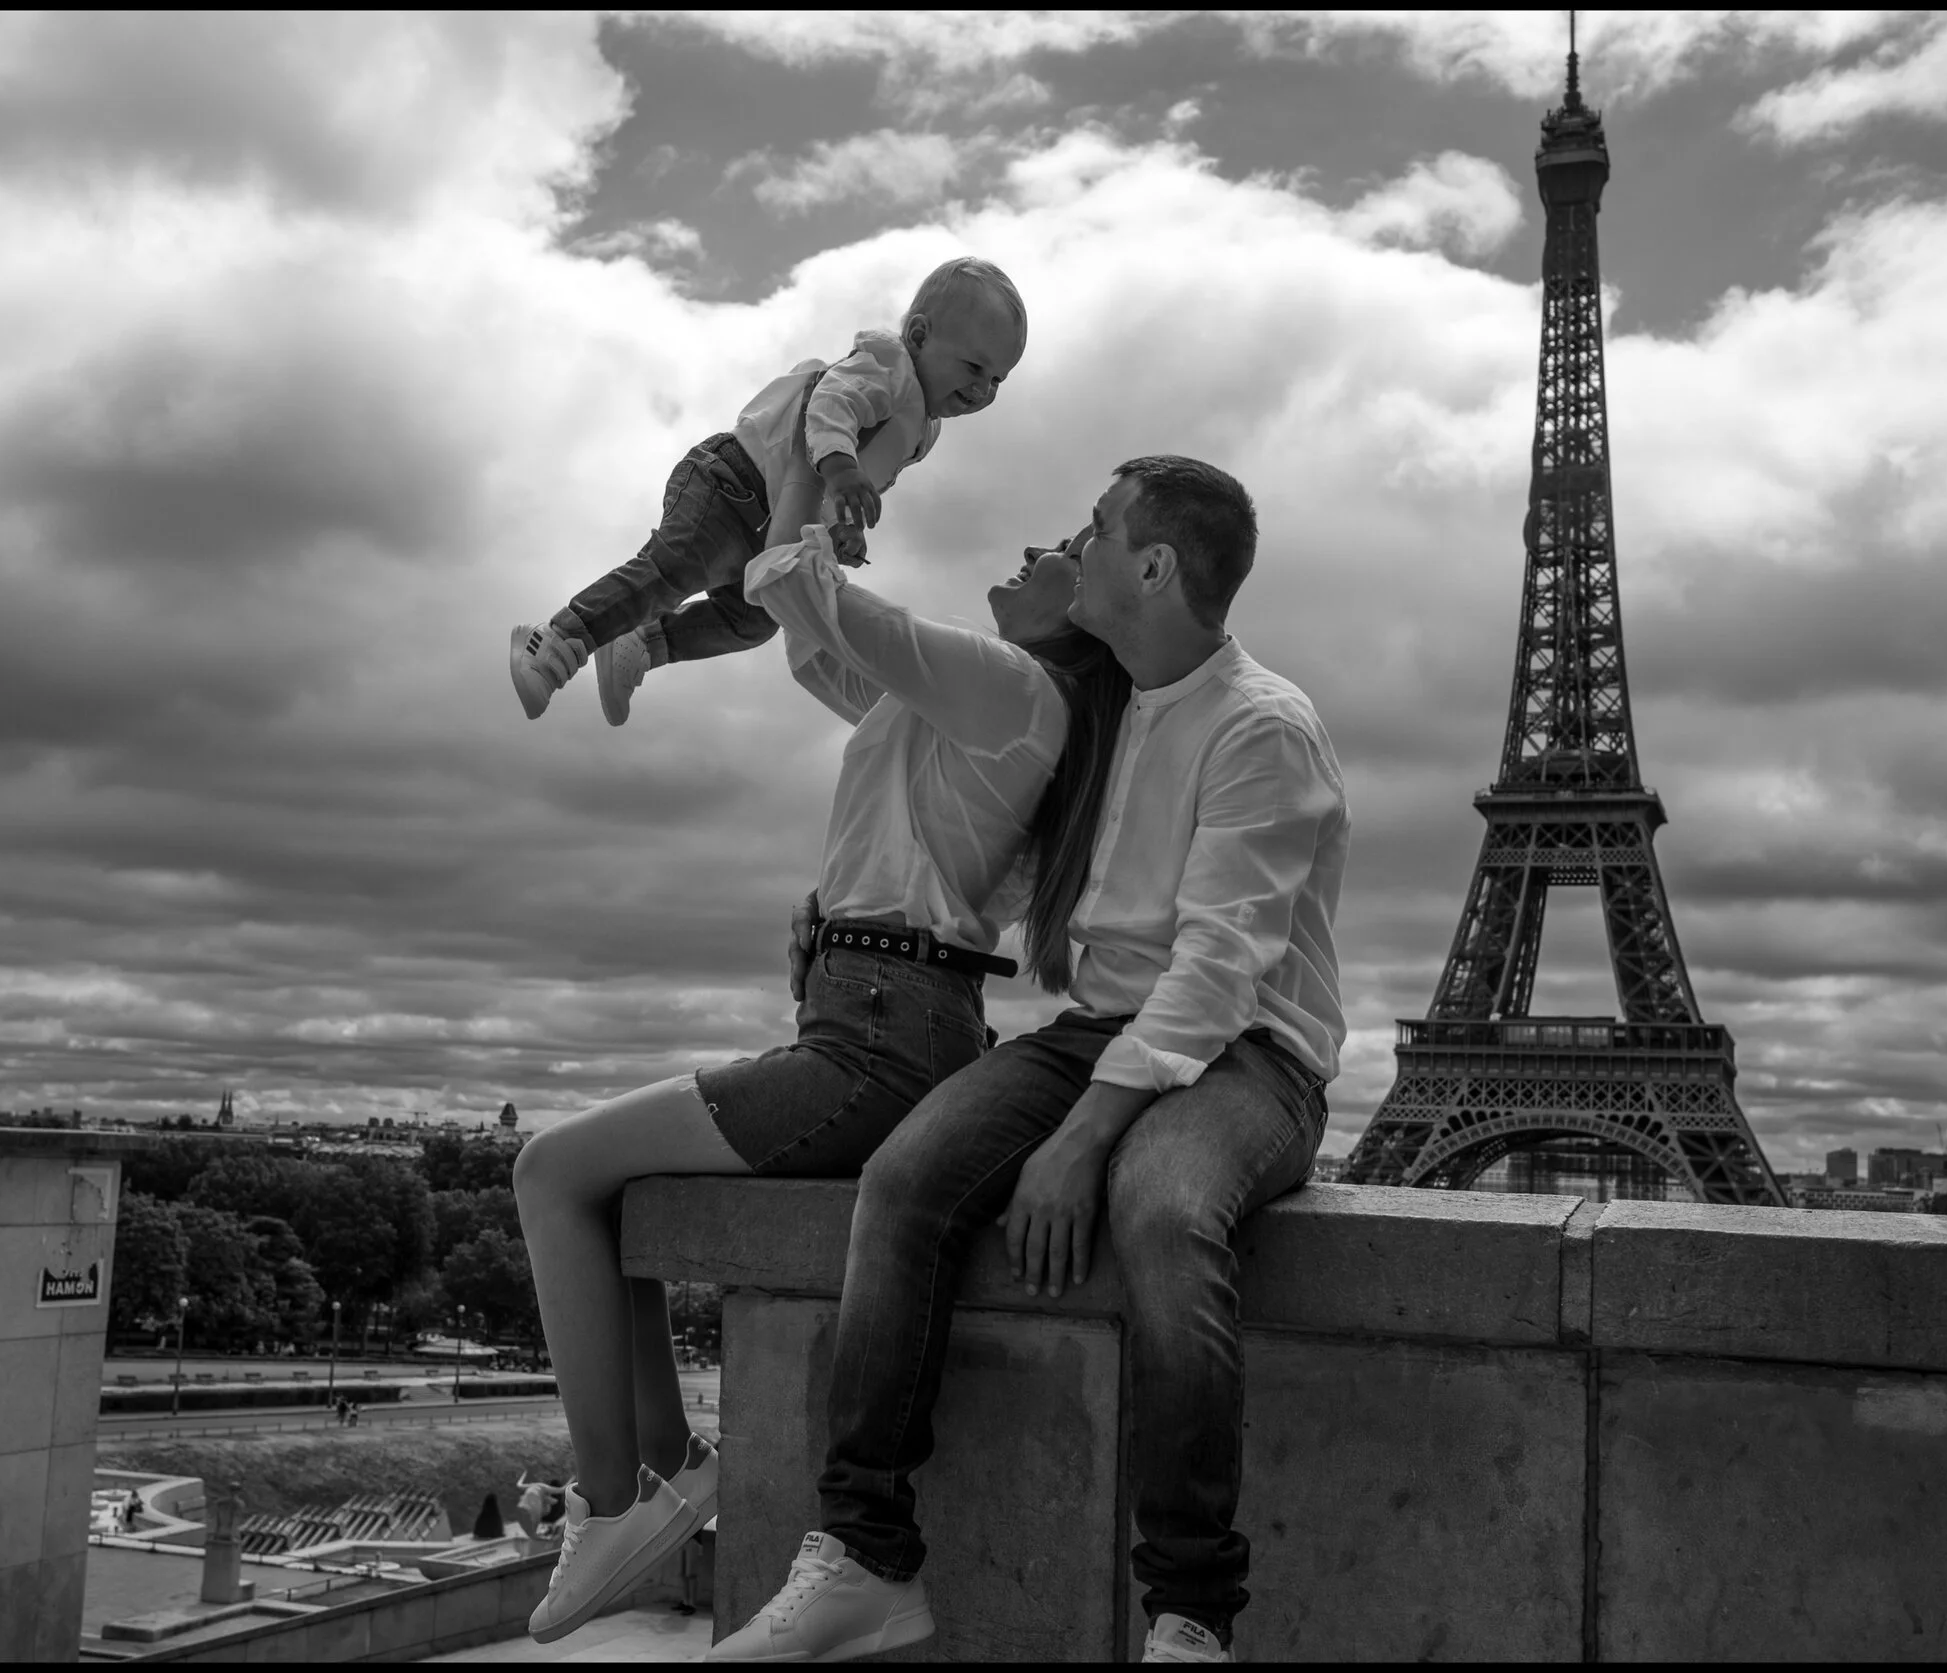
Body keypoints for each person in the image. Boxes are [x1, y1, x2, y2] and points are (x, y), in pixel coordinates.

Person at [709, 457, 1349, 1666]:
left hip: (1252, 1051)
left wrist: (1078, 1135)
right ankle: (864, 1553)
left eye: (1095, 528)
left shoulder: (1261, 725)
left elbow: (1216, 974)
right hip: (1102, 1030)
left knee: (1160, 1209)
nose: (1074, 541)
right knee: (901, 1184)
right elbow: (973, 864)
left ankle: (1191, 1612)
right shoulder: (1100, 716)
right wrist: (843, 904)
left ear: (1152, 565)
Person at [510, 508, 1135, 1646]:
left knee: (552, 1169)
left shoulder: (1016, 688)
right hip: (882, 1018)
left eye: (1060, 549)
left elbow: (807, 589)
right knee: (588, 1180)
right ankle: (660, 1472)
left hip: (875, 1038)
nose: (1036, 550)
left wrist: (809, 472)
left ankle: (618, 1498)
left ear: (1081, 616)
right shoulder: (961, 703)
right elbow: (811, 646)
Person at [506, 257, 1027, 726]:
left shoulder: (923, 429)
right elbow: (830, 407)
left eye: (998, 380)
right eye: (974, 367)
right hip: (733, 483)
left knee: (753, 621)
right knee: (676, 566)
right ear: (917, 335)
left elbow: (856, 475)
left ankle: (644, 641)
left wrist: (842, 527)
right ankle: (554, 640)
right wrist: (842, 467)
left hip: (767, 523)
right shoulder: (888, 366)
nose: (983, 389)